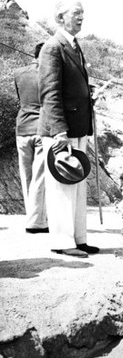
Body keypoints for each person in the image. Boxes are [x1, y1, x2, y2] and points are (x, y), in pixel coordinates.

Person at [38, 0, 98, 258]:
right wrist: (59, 131)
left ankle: (78, 238)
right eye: (76, 13)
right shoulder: (53, 48)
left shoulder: (74, 46)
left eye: (82, 13)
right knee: (63, 184)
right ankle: (63, 241)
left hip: (78, 127)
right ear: (60, 18)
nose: (81, 17)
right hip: (61, 130)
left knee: (77, 182)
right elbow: (50, 94)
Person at [14, 41, 48, 233]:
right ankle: (36, 222)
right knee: (40, 176)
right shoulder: (49, 74)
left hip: (22, 126)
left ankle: (32, 217)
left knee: (27, 175)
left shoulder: (19, 73)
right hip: (41, 128)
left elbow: (21, 99)